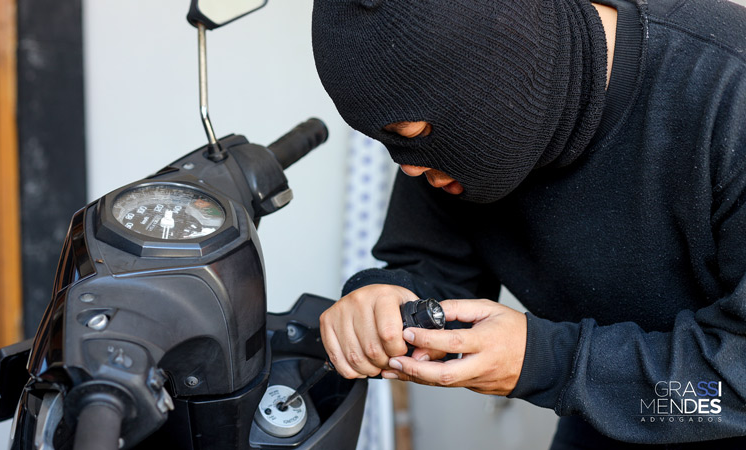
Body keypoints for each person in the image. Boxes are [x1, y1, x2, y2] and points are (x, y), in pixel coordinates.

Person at [310, 0, 746, 448]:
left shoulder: (729, 92)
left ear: (503, 73)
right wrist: (385, 298)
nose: (408, 169)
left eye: (411, 133)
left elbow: (738, 387)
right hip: (603, 414)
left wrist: (548, 362)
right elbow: (434, 269)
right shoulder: (459, 135)